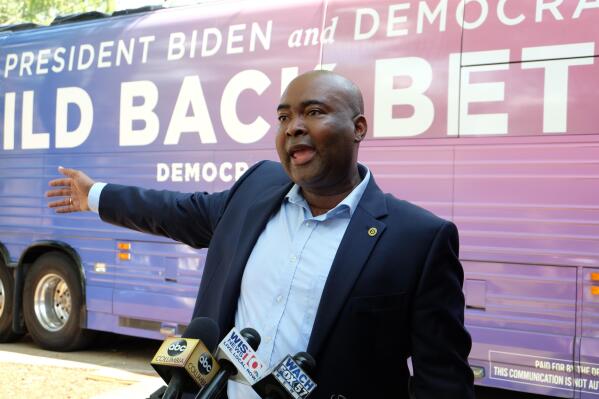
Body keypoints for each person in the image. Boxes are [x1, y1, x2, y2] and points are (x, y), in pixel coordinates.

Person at [47, 71, 474, 398]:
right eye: (284, 116)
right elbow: (178, 211)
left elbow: (443, 380)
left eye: (314, 112)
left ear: (358, 128)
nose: (293, 127)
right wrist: (95, 195)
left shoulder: (417, 238)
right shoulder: (256, 189)